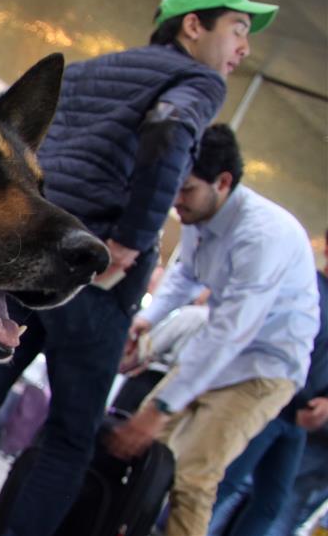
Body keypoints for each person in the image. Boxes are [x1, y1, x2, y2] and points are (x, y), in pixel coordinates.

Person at [0, 0, 278, 536]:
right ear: (194, 27)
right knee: (70, 439)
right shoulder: (197, 79)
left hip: (27, 259)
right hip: (94, 272)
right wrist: (132, 238)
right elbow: (169, 134)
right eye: (238, 31)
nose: (243, 49)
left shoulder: (90, 70)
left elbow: (12, 135)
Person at [108, 124, 321, 536]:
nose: (175, 202)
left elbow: (231, 333)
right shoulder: (198, 217)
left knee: (192, 476)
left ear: (223, 183)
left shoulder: (262, 237)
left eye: (186, 190)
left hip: (264, 369)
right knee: (137, 452)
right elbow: (185, 274)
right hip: (216, 354)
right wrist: (145, 322)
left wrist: (161, 409)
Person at [208, 233, 328, 536]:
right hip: (268, 402)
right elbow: (278, 344)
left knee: (271, 503)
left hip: (299, 421)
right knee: (225, 485)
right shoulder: (307, 289)